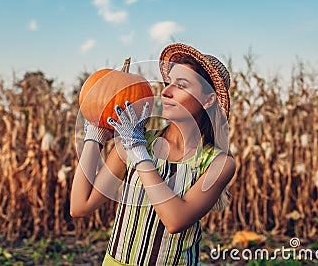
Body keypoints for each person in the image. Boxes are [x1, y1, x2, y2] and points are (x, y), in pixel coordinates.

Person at [70, 43, 236, 266]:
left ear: (208, 100)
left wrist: (139, 153)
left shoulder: (217, 163)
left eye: (181, 85)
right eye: (168, 83)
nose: (166, 91)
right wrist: (95, 132)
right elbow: (80, 206)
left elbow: (175, 220)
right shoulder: (132, 142)